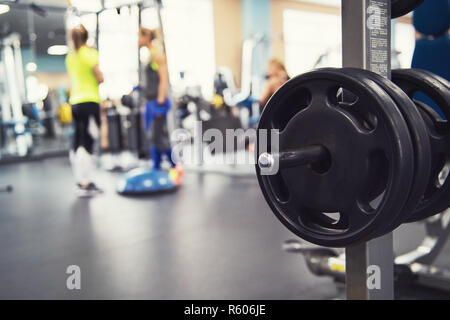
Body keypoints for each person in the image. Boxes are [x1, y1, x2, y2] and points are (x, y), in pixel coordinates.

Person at [65, 24, 104, 197]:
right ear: (87, 37)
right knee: (88, 141)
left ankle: (80, 181)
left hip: (75, 102)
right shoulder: (90, 54)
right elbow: (100, 77)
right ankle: (85, 184)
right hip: (89, 101)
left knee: (78, 141)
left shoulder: (70, 57)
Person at [138, 27, 179, 172]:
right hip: (149, 102)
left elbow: (163, 79)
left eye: (139, 36)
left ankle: (175, 165)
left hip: (158, 102)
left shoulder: (157, 54)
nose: (137, 40)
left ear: (146, 36)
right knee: (152, 136)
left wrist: (160, 101)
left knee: (156, 136)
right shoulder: (148, 55)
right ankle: (156, 166)